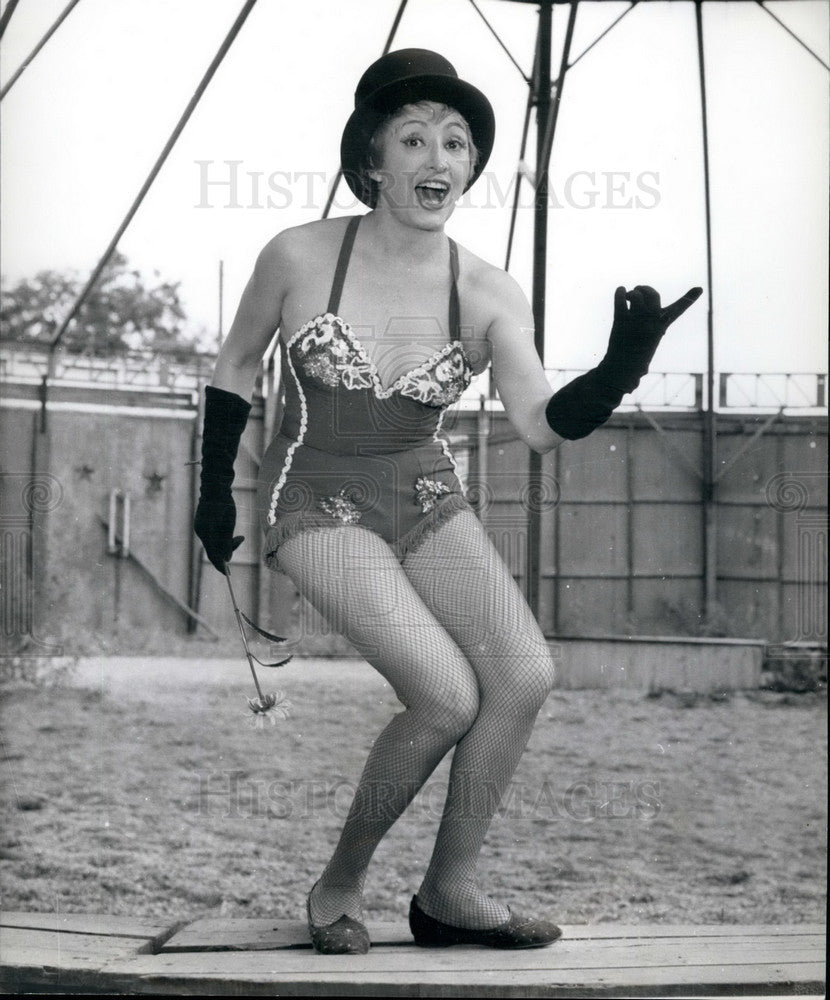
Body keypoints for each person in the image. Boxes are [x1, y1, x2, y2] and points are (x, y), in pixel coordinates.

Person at [194, 49, 702, 955]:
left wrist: (621, 369)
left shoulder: (487, 287)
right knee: (441, 692)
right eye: (416, 138)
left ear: (471, 167)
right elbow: (235, 365)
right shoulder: (299, 255)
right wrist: (211, 490)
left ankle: (449, 893)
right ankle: (337, 886)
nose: (439, 159)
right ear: (372, 161)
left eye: (458, 143)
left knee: (524, 675)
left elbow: (543, 424)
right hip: (317, 493)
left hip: (426, 490)